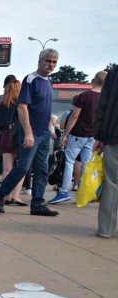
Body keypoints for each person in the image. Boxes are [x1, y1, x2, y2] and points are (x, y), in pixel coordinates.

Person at [0, 49, 60, 216]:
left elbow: (42, 107)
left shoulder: (48, 81)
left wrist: (50, 124)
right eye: (48, 61)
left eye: (54, 62)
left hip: (43, 133)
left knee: (42, 169)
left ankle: (37, 204)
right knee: (23, 167)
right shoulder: (31, 80)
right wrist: (28, 133)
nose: (51, 64)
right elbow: (22, 107)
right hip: (32, 132)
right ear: (40, 61)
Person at [49, 71, 107, 204]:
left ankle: (63, 191)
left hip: (78, 134)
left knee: (69, 161)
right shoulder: (105, 98)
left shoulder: (84, 96)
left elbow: (74, 116)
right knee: (87, 164)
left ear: (92, 80)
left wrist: (66, 134)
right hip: (93, 136)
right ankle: (85, 191)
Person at [94, 65, 118, 238]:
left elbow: (102, 105)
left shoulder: (114, 73)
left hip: (113, 135)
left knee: (111, 183)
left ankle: (105, 229)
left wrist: (100, 135)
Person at [0, 78, 27, 206]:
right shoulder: (22, 103)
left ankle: (6, 195)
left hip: (5, 136)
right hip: (19, 136)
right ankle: (16, 195)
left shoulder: (2, 103)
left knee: (7, 168)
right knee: (21, 167)